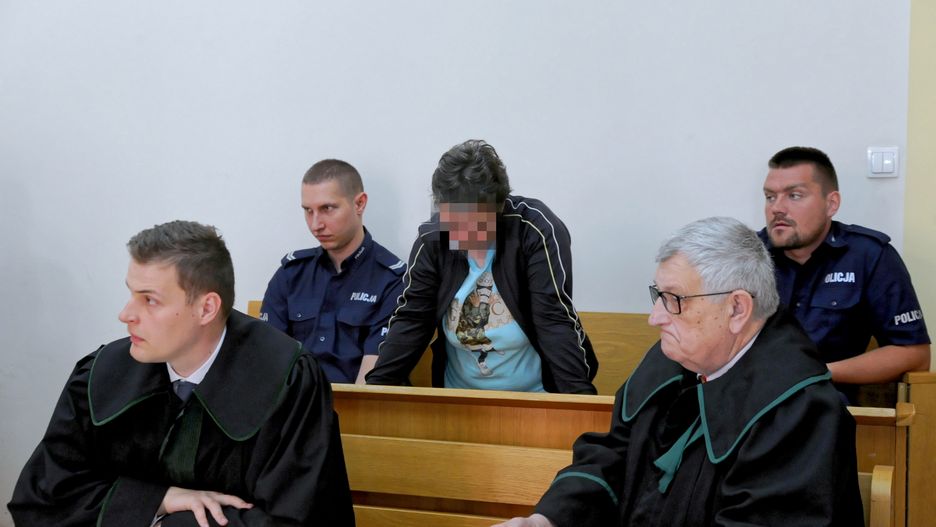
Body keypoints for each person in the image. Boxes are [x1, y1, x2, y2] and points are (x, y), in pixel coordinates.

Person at [494, 217, 862, 527]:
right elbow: (614, 455)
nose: (655, 318)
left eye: (674, 300)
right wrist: (546, 520)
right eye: (659, 295)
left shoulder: (798, 413)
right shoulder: (672, 360)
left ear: (737, 309)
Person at [8, 220, 354, 527]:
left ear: (206, 308)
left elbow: (297, 517)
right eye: (131, 293)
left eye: (150, 300)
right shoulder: (101, 374)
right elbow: (40, 498)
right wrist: (159, 500)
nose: (125, 314)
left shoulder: (287, 380)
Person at [366, 140, 597, 394]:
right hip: (459, 397)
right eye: (452, 220)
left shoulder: (534, 231)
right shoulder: (432, 241)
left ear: (499, 207)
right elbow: (412, 320)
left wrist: (578, 401)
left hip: (535, 396)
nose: (461, 233)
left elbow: (554, 321)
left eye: (474, 221)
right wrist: (375, 391)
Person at [760, 146, 930, 403]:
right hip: (747, 403)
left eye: (794, 195)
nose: (777, 208)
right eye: (770, 197)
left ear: (831, 204)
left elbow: (914, 355)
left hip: (826, 406)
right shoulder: (745, 256)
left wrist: (818, 373)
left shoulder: (868, 256)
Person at [261, 159, 405, 384]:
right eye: (308, 211)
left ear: (359, 204)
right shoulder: (290, 274)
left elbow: (371, 384)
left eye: (327, 209)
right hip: (296, 402)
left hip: (359, 402)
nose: (315, 224)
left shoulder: (391, 279)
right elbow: (268, 361)